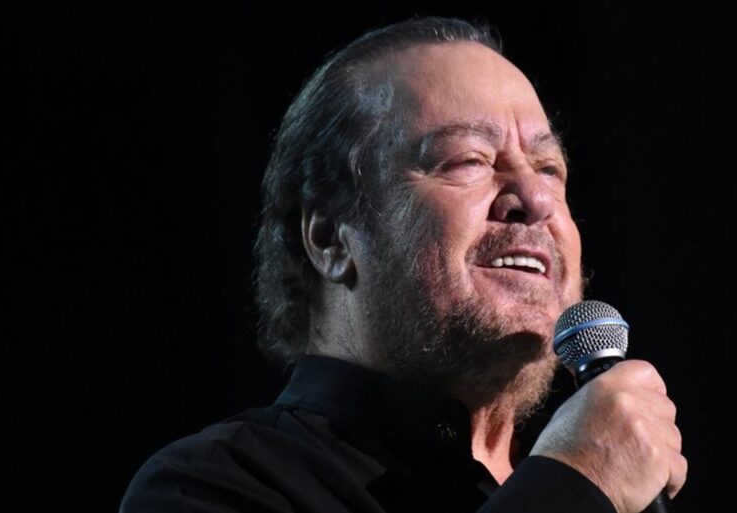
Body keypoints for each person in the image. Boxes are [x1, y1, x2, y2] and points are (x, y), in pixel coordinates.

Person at [120, 16, 686, 513]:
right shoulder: (210, 486)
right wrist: (575, 484)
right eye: (468, 160)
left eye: (548, 168)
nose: (536, 200)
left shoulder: (612, 490)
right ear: (330, 239)